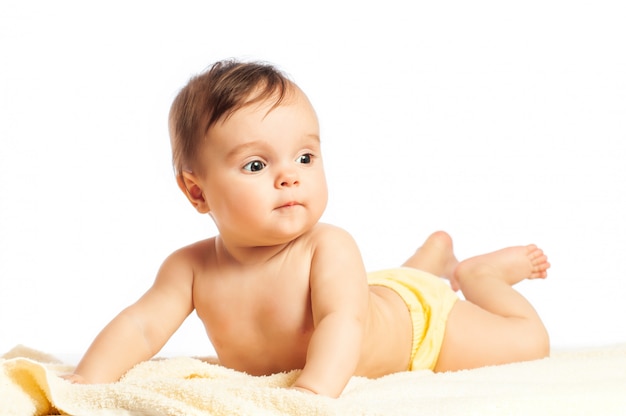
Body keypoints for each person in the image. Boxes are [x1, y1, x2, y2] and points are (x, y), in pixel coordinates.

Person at [63, 59, 550, 398]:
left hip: (419, 327)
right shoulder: (190, 268)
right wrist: (87, 381)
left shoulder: (328, 246)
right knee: (380, 286)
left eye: (305, 156)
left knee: (530, 343)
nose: (289, 175)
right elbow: (141, 325)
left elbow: (344, 322)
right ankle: (430, 258)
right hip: (375, 290)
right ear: (197, 192)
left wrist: (311, 393)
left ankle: (475, 275)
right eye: (256, 165)